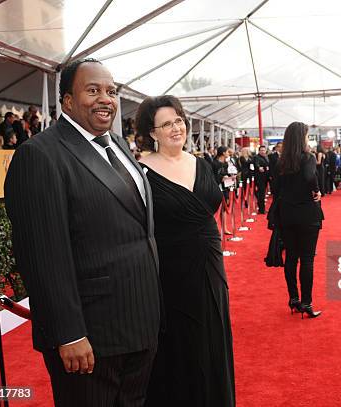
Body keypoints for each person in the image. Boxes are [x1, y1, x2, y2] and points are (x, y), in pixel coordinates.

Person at [4, 58, 161, 407]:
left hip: (140, 324)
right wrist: (69, 332)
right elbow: (42, 254)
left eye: (111, 91)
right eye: (93, 90)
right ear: (67, 100)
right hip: (89, 337)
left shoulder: (119, 146)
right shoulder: (39, 155)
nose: (105, 98)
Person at [136, 95, 235, 406]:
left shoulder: (201, 163)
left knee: (213, 333)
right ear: (152, 133)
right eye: (166, 124)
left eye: (178, 120)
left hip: (210, 262)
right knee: (180, 342)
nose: (175, 128)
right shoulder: (141, 171)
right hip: (171, 271)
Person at [276, 121, 324, 318]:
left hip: (286, 215)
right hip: (307, 214)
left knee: (291, 259)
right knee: (306, 259)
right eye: (306, 135)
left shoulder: (281, 161)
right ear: (301, 137)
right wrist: (316, 191)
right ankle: (306, 302)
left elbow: (276, 189)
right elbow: (309, 176)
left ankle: (294, 299)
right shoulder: (308, 158)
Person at [252, 145, 270, 214]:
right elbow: (256, 164)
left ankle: (262, 209)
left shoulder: (266, 157)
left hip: (265, 177)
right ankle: (261, 210)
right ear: (259, 151)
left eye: (264, 150)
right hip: (260, 178)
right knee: (261, 194)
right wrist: (259, 167)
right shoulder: (256, 157)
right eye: (261, 150)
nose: (262, 151)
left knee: (262, 194)